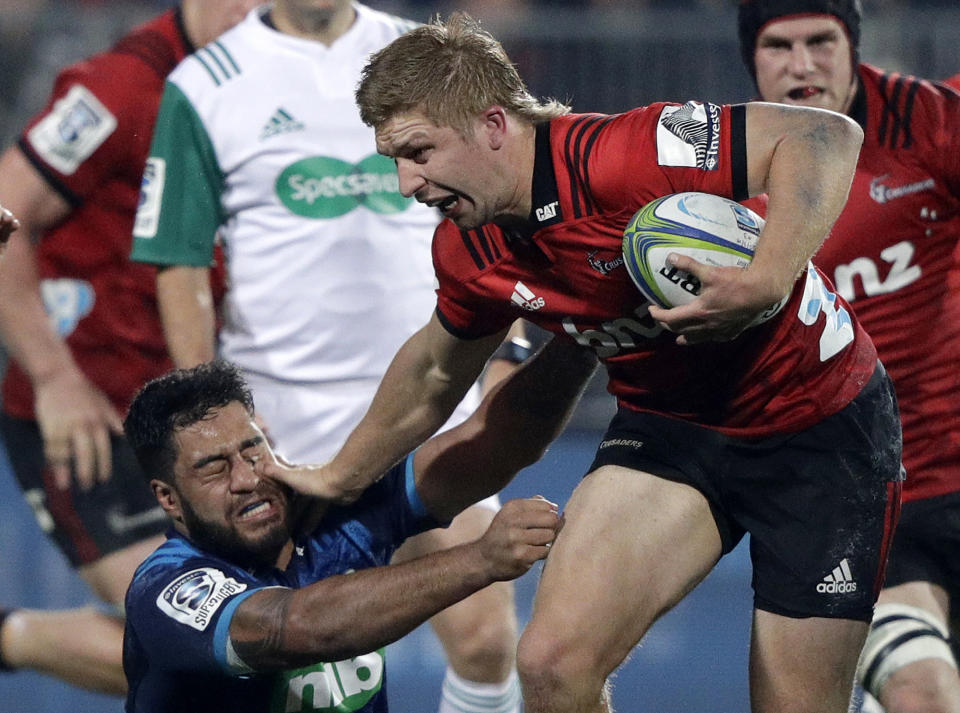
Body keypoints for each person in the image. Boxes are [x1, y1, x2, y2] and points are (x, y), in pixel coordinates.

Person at [260, 12, 907, 713]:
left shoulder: (625, 152)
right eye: (394, 158)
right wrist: (337, 476)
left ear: (493, 124)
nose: (405, 182)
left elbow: (824, 135)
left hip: (821, 431)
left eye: (418, 151)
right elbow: (434, 374)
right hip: (672, 430)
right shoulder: (466, 246)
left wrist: (768, 276)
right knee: (551, 664)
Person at [129, 3, 530, 711]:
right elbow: (180, 261)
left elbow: (499, 201)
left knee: (487, 639)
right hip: (282, 428)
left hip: (429, 394)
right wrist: (217, 433)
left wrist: (514, 347)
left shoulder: (422, 53)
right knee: (294, 654)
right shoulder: (206, 81)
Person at [0, 0, 262, 694]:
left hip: (209, 412)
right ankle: (11, 634)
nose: (254, 11)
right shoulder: (120, 87)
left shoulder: (278, 81)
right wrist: (54, 377)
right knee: (197, 640)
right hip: (91, 416)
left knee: (262, 640)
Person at [122, 342, 597, 713]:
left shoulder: (329, 518)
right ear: (169, 498)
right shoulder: (168, 587)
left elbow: (497, 438)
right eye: (215, 468)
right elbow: (296, 628)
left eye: (253, 450)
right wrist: (479, 559)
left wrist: (584, 337)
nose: (247, 479)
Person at [737, 2, 960, 712]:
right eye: (779, 45)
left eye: (819, 41)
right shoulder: (720, 185)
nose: (801, 64)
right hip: (866, 497)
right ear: (752, 58)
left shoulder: (929, 123)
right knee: (923, 693)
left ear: (852, 46)